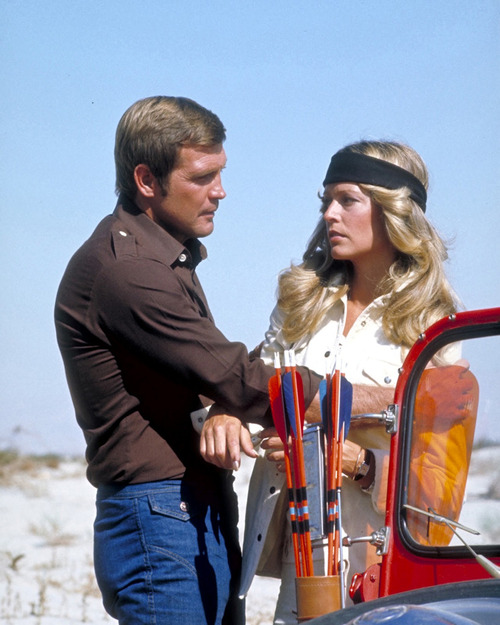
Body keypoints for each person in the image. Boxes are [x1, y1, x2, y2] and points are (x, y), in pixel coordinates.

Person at [54, 95, 321, 625]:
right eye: (201, 177)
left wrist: (223, 407)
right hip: (158, 517)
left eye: (220, 173)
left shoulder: (164, 259)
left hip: (186, 510)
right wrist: (366, 398)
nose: (219, 191)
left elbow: (211, 376)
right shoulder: (129, 271)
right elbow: (237, 377)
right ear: (146, 180)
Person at [239, 140, 465, 623]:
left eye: (347, 200)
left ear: (393, 211)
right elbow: (251, 385)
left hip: (381, 568)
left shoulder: (434, 327)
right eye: (325, 201)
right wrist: (226, 414)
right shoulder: (300, 301)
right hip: (301, 559)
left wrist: (360, 463)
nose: (329, 214)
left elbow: (437, 483)